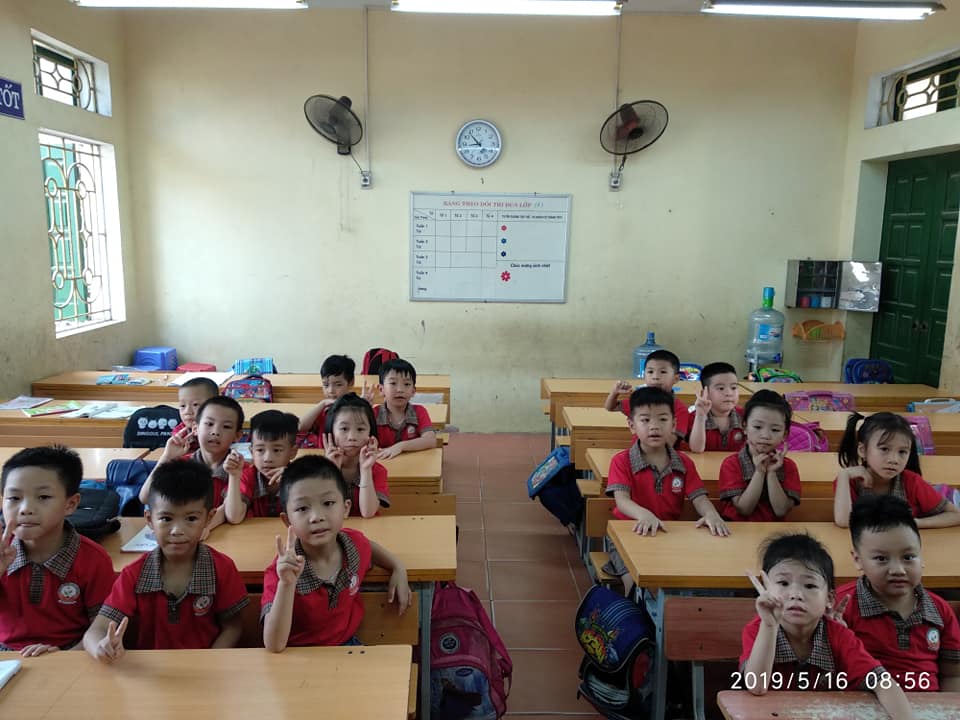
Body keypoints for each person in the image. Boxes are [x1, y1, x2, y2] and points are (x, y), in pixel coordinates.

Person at [84, 462, 248, 660]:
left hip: (208, 668)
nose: (177, 530)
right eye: (166, 519)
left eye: (191, 519)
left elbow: (233, 627)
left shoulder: (222, 568)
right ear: (149, 519)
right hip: (151, 671)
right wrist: (101, 647)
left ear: (209, 518)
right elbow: (96, 630)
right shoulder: (134, 574)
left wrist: (210, 661)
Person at [741, 533, 913, 719]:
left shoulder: (839, 635)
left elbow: (882, 682)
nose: (796, 594)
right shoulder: (757, 630)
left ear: (829, 599)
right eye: (783, 583)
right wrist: (769, 626)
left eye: (809, 585)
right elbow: (756, 686)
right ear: (766, 589)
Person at [261, 455, 411, 651]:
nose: (316, 517)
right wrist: (287, 585)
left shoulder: (353, 545)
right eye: (302, 508)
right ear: (287, 520)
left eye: (328, 503)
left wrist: (397, 566)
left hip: (346, 647)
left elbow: (368, 546)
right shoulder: (281, 572)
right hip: (298, 655)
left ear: (346, 508)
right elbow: (274, 645)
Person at [603, 386, 729, 591]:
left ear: (674, 424)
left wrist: (711, 514)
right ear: (632, 426)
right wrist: (644, 515)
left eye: (662, 419)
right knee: (634, 584)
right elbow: (622, 501)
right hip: (629, 533)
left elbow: (699, 498)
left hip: (668, 534)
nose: (654, 426)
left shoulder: (683, 463)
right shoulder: (622, 461)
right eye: (645, 420)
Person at [837, 494, 960, 691]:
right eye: (881, 559)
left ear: (922, 556)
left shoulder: (940, 610)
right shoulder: (841, 607)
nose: (898, 570)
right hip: (863, 702)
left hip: (929, 704)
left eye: (908, 557)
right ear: (858, 560)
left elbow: (952, 675)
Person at [0, 446, 114, 656]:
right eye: (14, 498)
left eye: (43, 497)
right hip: (5, 656)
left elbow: (103, 629)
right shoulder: (2, 553)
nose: (25, 509)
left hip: (71, 654)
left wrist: (64, 657)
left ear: (71, 504)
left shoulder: (93, 560)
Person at [139, 396, 248, 534]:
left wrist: (204, 528)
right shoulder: (182, 464)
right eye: (209, 424)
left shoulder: (240, 468)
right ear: (195, 428)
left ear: (237, 436)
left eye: (226, 427)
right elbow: (145, 497)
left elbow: (232, 516)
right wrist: (166, 457)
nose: (215, 431)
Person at [833, 412, 960, 528]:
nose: (894, 460)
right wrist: (844, 474)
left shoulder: (912, 482)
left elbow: (955, 515)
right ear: (862, 450)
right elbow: (844, 521)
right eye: (884, 449)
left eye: (902, 452)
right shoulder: (849, 481)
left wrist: (913, 523)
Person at [718, 389, 800, 521]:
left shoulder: (789, 466)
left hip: (775, 532)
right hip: (737, 530)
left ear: (785, 434)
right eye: (757, 427)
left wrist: (772, 473)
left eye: (775, 430)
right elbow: (744, 509)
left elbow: (780, 510)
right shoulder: (731, 464)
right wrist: (760, 472)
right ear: (744, 426)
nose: (765, 435)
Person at [603, 349, 692, 444]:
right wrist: (615, 393)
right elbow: (610, 407)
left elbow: (671, 442)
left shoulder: (680, 409)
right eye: (650, 372)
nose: (655, 377)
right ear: (644, 376)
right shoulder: (639, 400)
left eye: (663, 372)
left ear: (676, 378)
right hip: (636, 451)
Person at [323, 394, 389, 518]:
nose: (352, 437)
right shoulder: (318, 471)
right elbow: (324, 511)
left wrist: (365, 470)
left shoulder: (377, 471)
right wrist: (332, 471)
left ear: (371, 434)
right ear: (331, 432)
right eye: (344, 429)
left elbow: (367, 512)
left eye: (360, 429)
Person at [297, 355, 373, 448]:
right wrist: (322, 404)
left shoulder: (357, 407)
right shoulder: (324, 409)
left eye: (338, 385)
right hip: (326, 454)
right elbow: (300, 427)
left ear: (351, 382)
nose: (331, 390)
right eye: (326, 385)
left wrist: (365, 406)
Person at [240, 410, 300, 518]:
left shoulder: (300, 478)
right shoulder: (246, 476)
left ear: (292, 452)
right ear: (251, 452)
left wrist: (293, 483)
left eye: (276, 450)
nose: (267, 459)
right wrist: (234, 477)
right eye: (260, 450)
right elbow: (234, 516)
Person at [374, 359, 436, 459]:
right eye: (393, 383)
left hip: (413, 464)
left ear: (413, 391)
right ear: (381, 389)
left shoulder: (419, 411)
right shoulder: (374, 414)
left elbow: (430, 440)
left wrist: (400, 446)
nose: (400, 390)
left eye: (406, 384)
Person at [687, 362, 745, 453]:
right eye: (721, 388)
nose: (729, 393)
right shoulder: (693, 418)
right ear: (705, 393)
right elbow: (696, 449)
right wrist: (700, 417)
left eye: (733, 388)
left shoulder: (746, 416)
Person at [171, 376, 219, 453]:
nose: (187, 411)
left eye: (195, 405)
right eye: (182, 406)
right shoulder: (180, 433)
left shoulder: (222, 429)